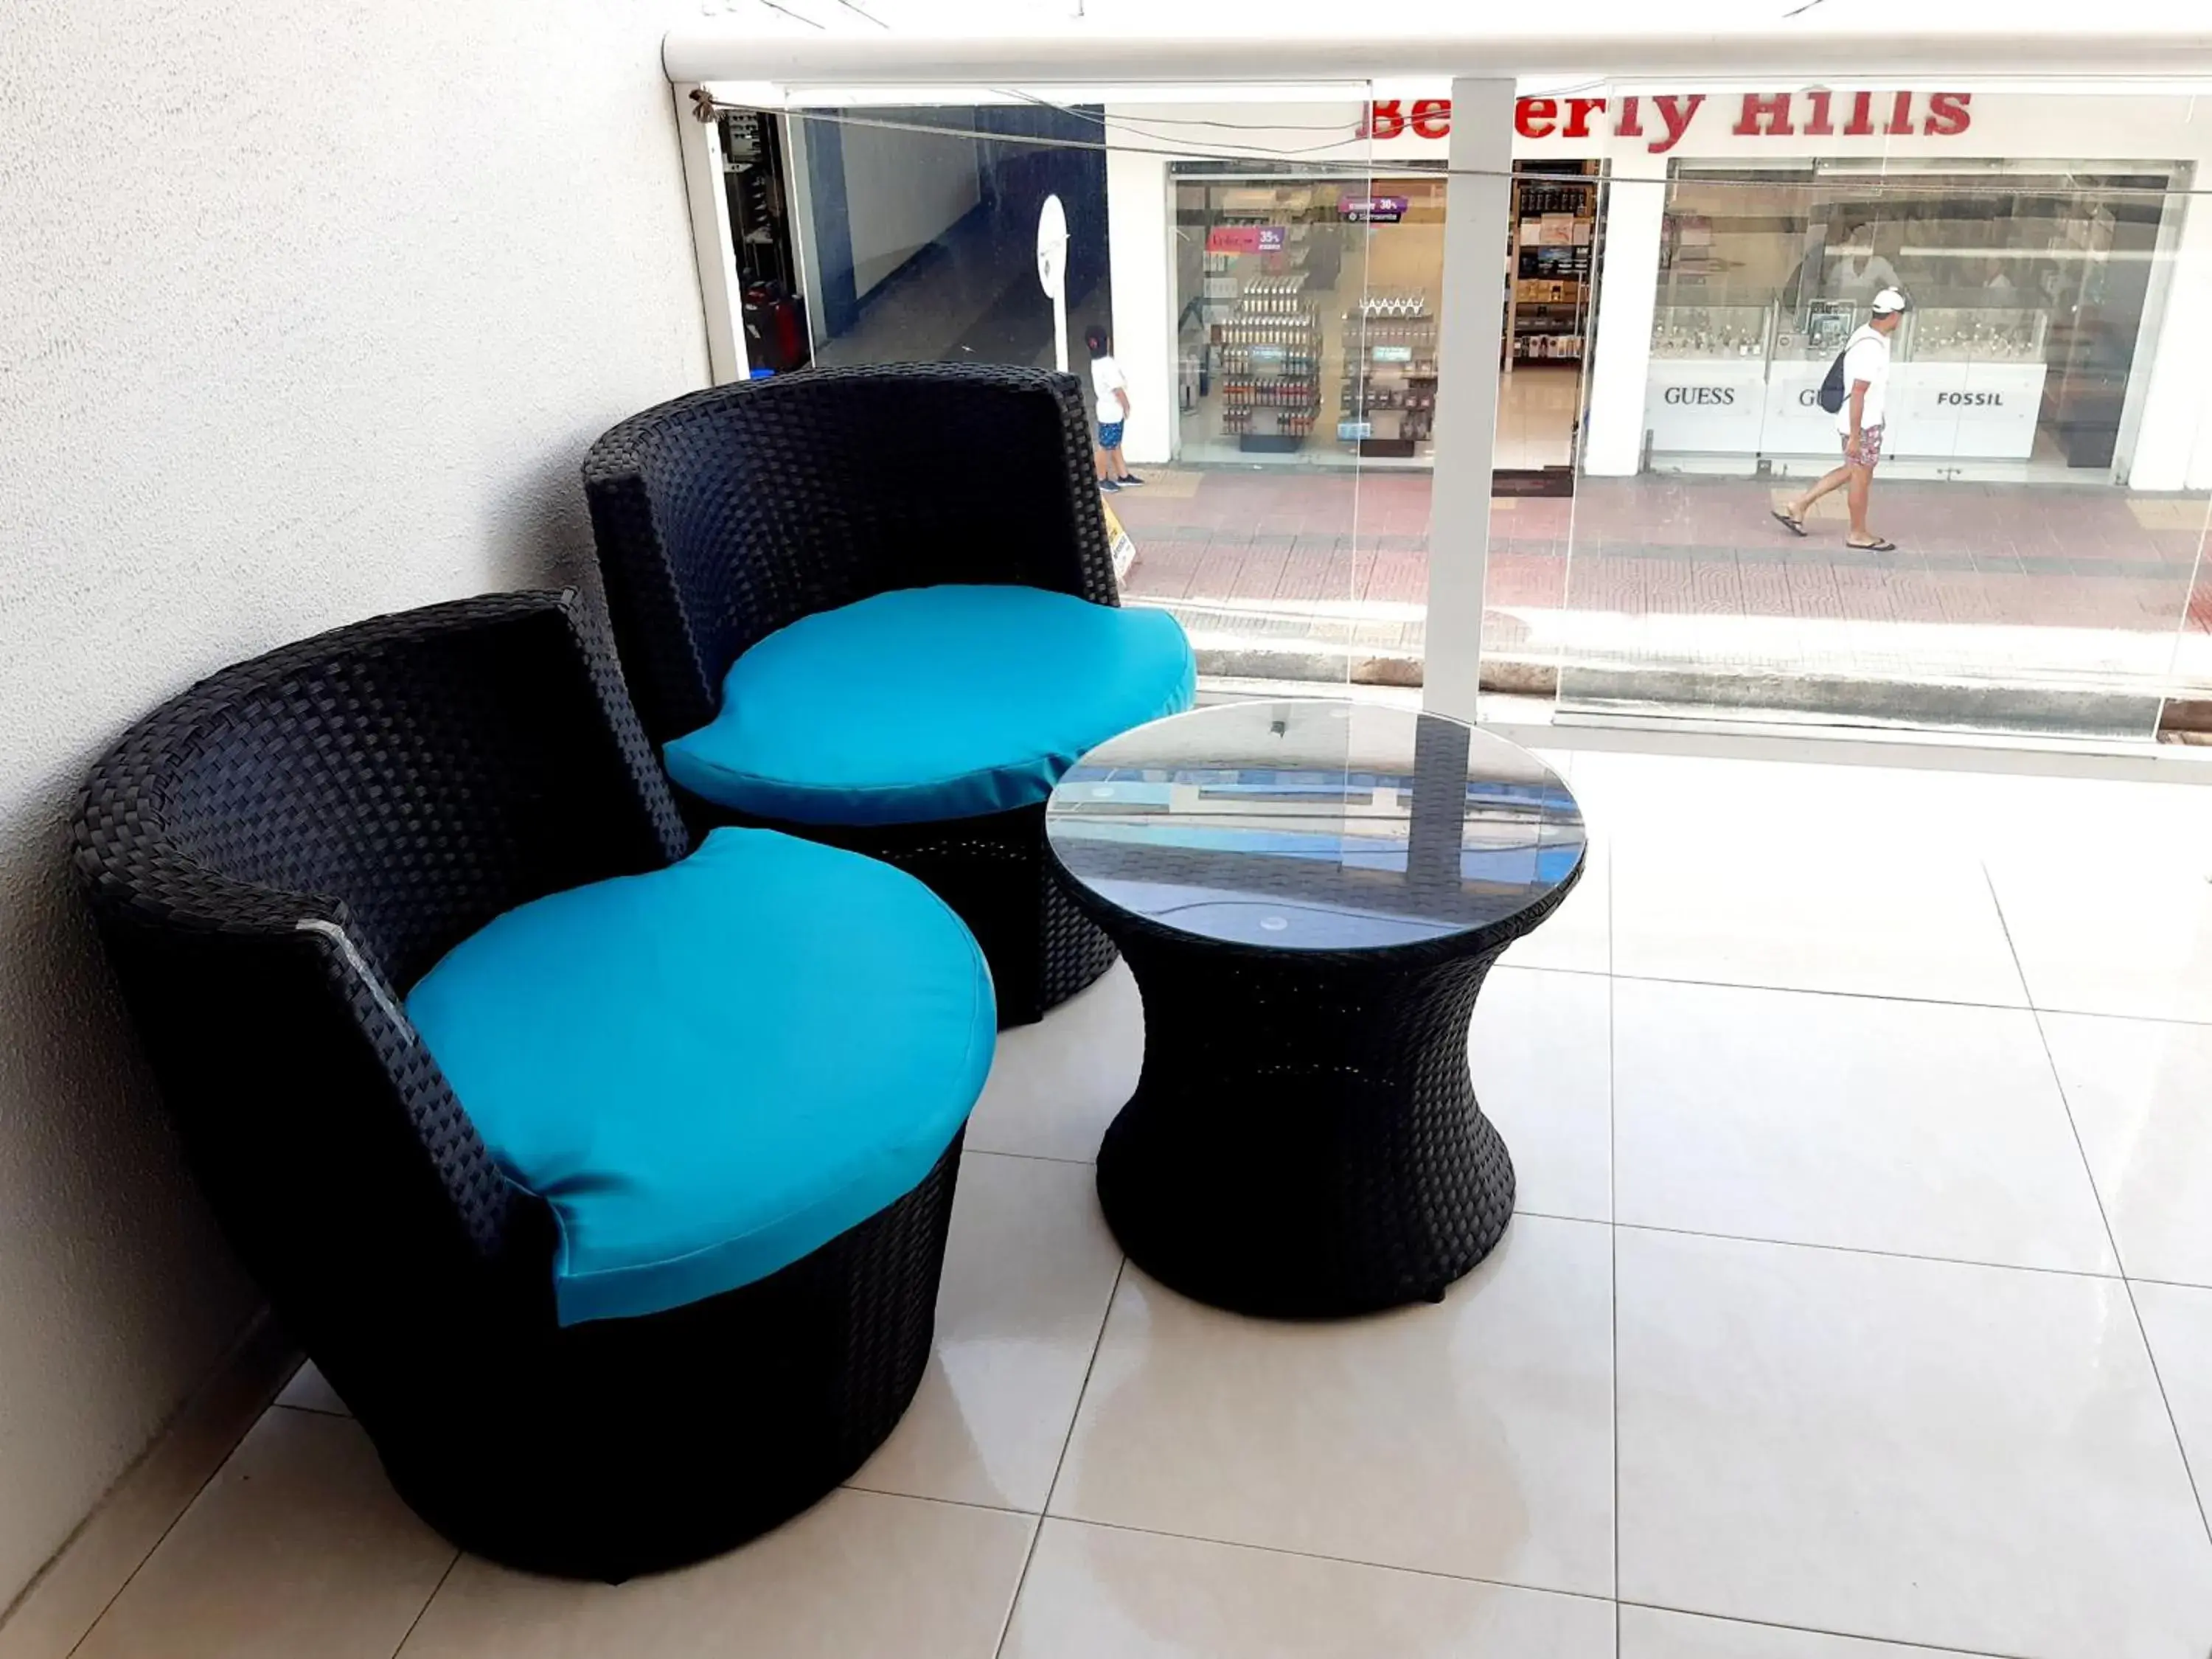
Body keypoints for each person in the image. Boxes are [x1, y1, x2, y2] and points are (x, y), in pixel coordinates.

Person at [1773, 288, 1907, 552]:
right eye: (1899, 316)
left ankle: (1799, 505)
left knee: (1851, 469)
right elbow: (1858, 393)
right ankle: (1858, 533)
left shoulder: (1865, 333)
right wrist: (1856, 437)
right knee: (1861, 477)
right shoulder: (1872, 349)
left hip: (1858, 421)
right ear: (1892, 316)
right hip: (1862, 424)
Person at [1085, 324, 1141, 493]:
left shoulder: (1096, 363)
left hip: (1107, 410)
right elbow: (1117, 389)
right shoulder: (1107, 364)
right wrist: (1127, 405)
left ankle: (1123, 475)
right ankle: (1100, 478)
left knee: (1114, 444)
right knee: (1106, 446)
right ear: (1106, 342)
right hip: (1111, 412)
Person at [1830, 221, 1901, 307]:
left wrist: (1881, 293)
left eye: (1867, 243)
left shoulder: (1880, 264)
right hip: (1843, 312)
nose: (1864, 246)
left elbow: (1897, 288)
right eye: (1860, 243)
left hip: (1871, 313)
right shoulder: (1842, 266)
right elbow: (1830, 292)